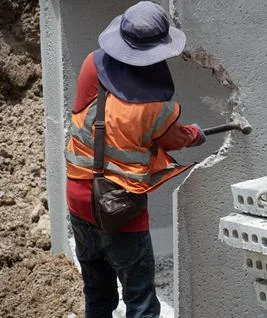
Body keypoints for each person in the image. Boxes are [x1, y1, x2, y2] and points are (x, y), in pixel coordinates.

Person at [65, 2, 204, 317]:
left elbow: (89, 117)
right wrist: (194, 134)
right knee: (140, 302)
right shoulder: (157, 106)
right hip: (120, 209)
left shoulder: (91, 64)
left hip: (79, 198)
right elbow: (175, 139)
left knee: (98, 297)